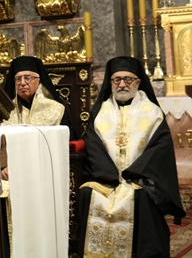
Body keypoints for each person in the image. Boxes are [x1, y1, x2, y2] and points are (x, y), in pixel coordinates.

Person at [77, 56, 185, 258]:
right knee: (87, 193)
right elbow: (93, 144)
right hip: (106, 177)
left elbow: (159, 148)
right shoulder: (101, 112)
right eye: (117, 80)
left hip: (140, 177)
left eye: (128, 79)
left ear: (138, 82)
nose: (122, 84)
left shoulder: (152, 112)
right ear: (110, 82)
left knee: (142, 196)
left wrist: (135, 172)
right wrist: (107, 173)